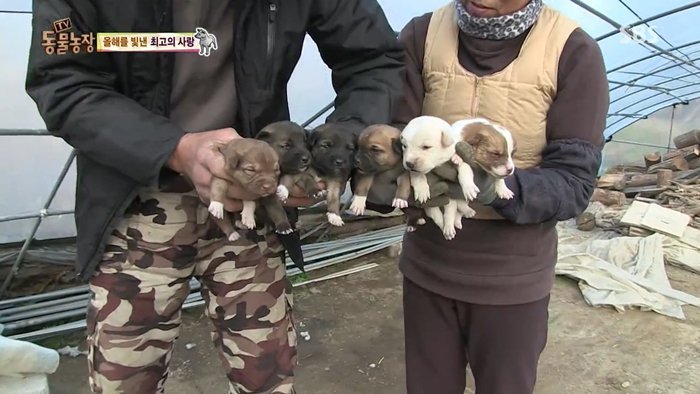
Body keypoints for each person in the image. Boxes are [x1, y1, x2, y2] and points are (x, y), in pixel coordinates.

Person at [25, 1, 404, 393]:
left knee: (268, 381)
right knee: (124, 382)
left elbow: (375, 59)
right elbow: (62, 80)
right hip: (135, 202)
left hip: (252, 207)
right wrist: (176, 149)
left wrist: (335, 148)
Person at [391, 0, 609, 393]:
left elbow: (573, 184)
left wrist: (485, 183)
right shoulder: (422, 36)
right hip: (428, 267)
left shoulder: (572, 50)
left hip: (511, 278)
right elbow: (393, 142)